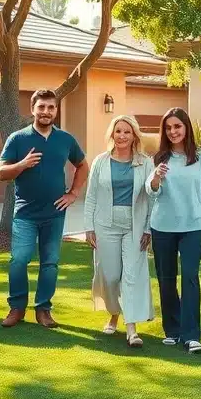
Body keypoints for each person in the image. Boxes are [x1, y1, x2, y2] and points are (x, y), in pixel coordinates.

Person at [0, 88, 89, 329]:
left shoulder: (65, 139)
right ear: (33, 109)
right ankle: (17, 308)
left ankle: (43, 310)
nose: (46, 112)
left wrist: (73, 193)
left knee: (50, 263)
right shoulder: (18, 138)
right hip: (25, 213)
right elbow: (2, 173)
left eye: (51, 107)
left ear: (56, 110)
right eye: (42, 107)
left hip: (54, 213)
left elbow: (82, 165)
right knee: (19, 260)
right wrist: (22, 164)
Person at [146, 107, 201, 354]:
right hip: (162, 226)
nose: (173, 131)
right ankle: (172, 331)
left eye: (177, 126)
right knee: (166, 280)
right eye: (169, 127)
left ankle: (191, 335)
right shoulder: (157, 160)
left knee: (189, 277)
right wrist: (156, 179)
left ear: (186, 128)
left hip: (193, 227)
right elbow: (150, 191)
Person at [83, 115, 156, 347]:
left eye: (127, 132)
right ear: (112, 135)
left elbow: (152, 198)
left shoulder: (146, 163)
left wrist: (148, 228)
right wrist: (89, 227)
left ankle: (131, 329)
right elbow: (91, 196)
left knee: (132, 276)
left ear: (134, 135)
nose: (122, 136)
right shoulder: (100, 161)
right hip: (105, 224)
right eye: (118, 131)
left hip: (134, 226)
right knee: (111, 275)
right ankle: (114, 313)